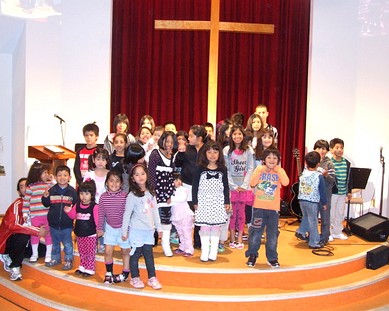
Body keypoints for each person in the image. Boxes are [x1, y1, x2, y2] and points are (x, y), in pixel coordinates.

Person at [121, 164, 163, 290]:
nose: (140, 177)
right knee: (135, 254)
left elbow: (155, 211)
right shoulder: (132, 195)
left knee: (149, 254)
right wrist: (124, 231)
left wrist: (159, 228)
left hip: (149, 231)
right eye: (137, 174)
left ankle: (152, 277)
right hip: (136, 231)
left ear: (147, 175)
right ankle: (135, 277)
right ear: (133, 178)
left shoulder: (151, 192)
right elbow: (127, 214)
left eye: (142, 173)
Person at [246, 148, 289, 268]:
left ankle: (272, 258)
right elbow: (252, 183)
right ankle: (252, 255)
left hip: (273, 210)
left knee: (272, 235)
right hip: (259, 208)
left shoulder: (279, 171)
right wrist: (260, 170)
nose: (272, 160)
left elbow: (286, 182)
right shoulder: (259, 169)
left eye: (275, 158)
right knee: (256, 234)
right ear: (264, 160)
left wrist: (278, 169)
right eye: (269, 157)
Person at [0, 178, 48, 281]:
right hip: (9, 240)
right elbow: (13, 226)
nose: (26, 188)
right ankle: (14, 266)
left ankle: (14, 255)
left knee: (43, 250)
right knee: (23, 236)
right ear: (19, 191)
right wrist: (36, 230)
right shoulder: (18, 204)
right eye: (22, 186)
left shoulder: (35, 204)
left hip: (26, 240)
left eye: (28, 185)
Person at [192, 140, 231, 262]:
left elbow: (226, 186)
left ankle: (213, 252)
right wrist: (195, 201)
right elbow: (195, 185)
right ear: (205, 154)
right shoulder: (200, 168)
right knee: (204, 228)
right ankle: (205, 251)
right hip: (203, 201)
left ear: (219, 154)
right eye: (209, 152)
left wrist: (227, 201)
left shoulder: (222, 169)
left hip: (218, 202)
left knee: (215, 228)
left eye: (215, 152)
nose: (212, 155)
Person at [174, 125, 209, 249]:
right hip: (187, 186)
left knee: (201, 214)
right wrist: (180, 153)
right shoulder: (186, 148)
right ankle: (184, 242)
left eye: (191, 136)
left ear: (199, 138)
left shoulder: (208, 149)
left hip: (204, 187)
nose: (188, 138)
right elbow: (177, 164)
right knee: (187, 215)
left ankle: (199, 242)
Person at [223, 125, 255, 250]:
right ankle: (231, 236)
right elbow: (226, 169)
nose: (237, 136)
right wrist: (233, 185)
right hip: (232, 187)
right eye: (235, 134)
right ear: (231, 136)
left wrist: (244, 185)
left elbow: (250, 168)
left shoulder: (248, 150)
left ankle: (240, 237)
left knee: (241, 213)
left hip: (244, 187)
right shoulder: (226, 150)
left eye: (240, 134)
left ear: (243, 135)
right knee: (231, 212)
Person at [42, 165, 79, 270]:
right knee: (55, 243)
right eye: (59, 175)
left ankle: (68, 260)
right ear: (55, 176)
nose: (62, 177)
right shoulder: (52, 190)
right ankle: (55, 258)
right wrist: (45, 197)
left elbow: (76, 206)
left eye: (65, 175)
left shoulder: (72, 191)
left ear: (69, 177)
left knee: (67, 243)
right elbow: (46, 204)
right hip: (53, 224)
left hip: (67, 224)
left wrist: (72, 214)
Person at [97, 170, 130, 284]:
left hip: (123, 228)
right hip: (110, 228)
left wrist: (127, 231)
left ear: (121, 183)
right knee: (107, 251)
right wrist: (100, 228)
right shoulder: (103, 197)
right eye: (111, 181)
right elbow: (101, 214)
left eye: (117, 181)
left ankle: (125, 273)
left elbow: (129, 214)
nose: (114, 184)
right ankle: (109, 272)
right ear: (107, 182)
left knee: (125, 251)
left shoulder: (125, 196)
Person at [148, 131, 178, 256]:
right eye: (167, 141)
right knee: (151, 219)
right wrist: (152, 191)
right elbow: (151, 173)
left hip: (167, 192)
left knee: (166, 218)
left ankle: (166, 245)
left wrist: (171, 192)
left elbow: (172, 175)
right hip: (155, 191)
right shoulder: (155, 154)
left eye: (172, 142)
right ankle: (147, 245)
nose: (169, 144)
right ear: (162, 141)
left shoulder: (172, 156)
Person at [64, 180, 98, 277]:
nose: (84, 196)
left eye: (87, 193)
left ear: (91, 194)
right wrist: (68, 211)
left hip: (90, 234)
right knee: (82, 251)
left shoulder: (94, 207)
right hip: (79, 233)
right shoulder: (77, 205)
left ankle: (90, 268)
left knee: (90, 252)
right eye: (82, 193)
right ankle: (82, 266)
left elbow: (97, 220)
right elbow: (73, 216)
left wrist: (99, 230)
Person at [295, 151, 328, 249]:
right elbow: (322, 191)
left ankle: (301, 231)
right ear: (318, 164)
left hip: (302, 200)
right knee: (313, 221)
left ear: (306, 163)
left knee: (306, 217)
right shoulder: (319, 176)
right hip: (312, 202)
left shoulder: (303, 173)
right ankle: (314, 242)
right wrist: (324, 203)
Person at [22, 161, 53, 263]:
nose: (47, 175)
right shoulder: (30, 187)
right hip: (35, 216)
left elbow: (56, 188)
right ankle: (34, 254)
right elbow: (26, 202)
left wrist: (52, 181)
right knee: (34, 235)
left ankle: (48, 254)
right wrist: (25, 213)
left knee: (49, 235)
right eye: (44, 173)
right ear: (37, 174)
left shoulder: (48, 185)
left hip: (47, 215)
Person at [83, 147, 110, 253]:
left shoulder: (109, 174)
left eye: (103, 159)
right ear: (93, 160)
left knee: (104, 225)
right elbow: (85, 189)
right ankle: (93, 243)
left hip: (106, 205)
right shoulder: (89, 174)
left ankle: (102, 243)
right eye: (98, 159)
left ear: (107, 161)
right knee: (93, 225)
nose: (100, 162)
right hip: (92, 205)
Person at [330, 138, 352, 240]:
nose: (340, 150)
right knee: (331, 214)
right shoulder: (329, 162)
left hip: (343, 193)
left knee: (340, 213)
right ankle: (329, 233)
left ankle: (337, 232)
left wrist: (349, 191)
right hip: (333, 193)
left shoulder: (347, 163)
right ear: (331, 149)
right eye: (337, 147)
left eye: (342, 148)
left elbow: (349, 178)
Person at [314, 140, 335, 244]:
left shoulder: (329, 163)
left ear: (327, 151)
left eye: (323, 148)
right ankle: (313, 236)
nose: (320, 151)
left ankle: (324, 237)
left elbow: (333, 180)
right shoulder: (312, 161)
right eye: (318, 148)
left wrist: (326, 175)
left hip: (325, 195)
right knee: (312, 217)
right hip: (313, 195)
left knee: (325, 218)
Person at [169, 174, 194, 257]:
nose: (178, 182)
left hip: (185, 216)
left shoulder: (183, 189)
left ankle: (189, 249)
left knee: (186, 233)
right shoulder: (171, 191)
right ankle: (182, 247)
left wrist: (171, 199)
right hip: (177, 216)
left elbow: (182, 198)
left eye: (179, 179)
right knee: (180, 233)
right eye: (175, 180)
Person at [74, 122, 100, 187]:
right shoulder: (80, 150)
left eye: (91, 135)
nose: (89, 137)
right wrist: (80, 181)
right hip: (81, 182)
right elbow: (76, 167)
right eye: (86, 135)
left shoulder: (99, 151)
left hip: (94, 182)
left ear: (96, 137)